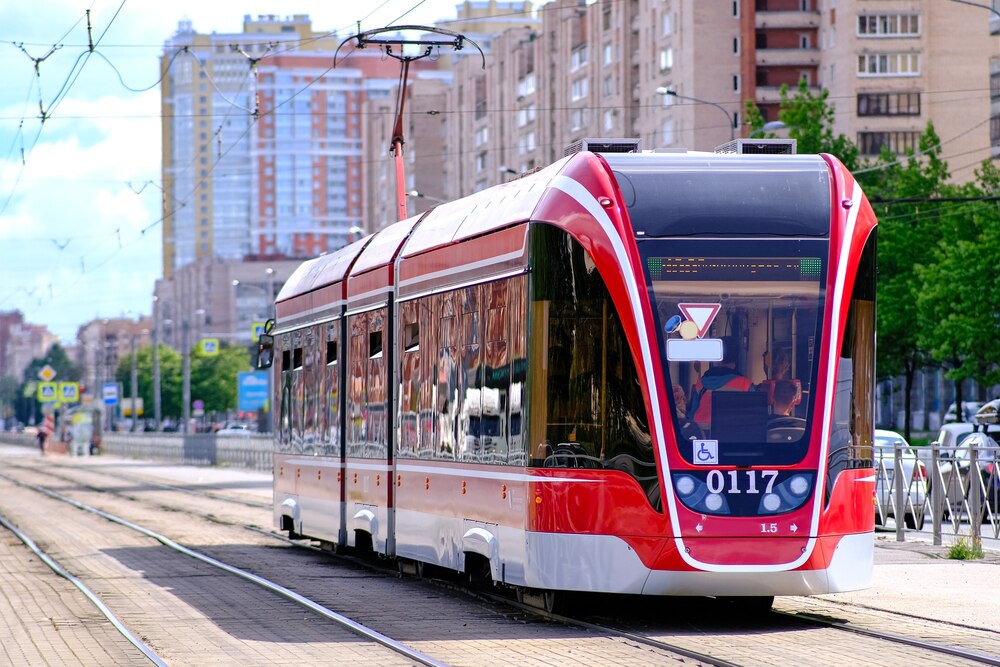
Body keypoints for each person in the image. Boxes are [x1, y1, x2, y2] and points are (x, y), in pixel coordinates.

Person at [688, 336, 753, 431]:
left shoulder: (701, 384)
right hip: (733, 435)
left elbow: (691, 415)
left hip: (702, 436)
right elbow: (754, 419)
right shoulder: (746, 385)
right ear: (736, 358)